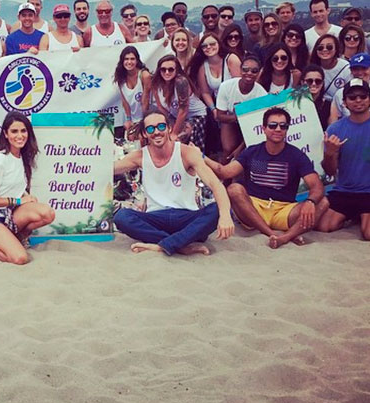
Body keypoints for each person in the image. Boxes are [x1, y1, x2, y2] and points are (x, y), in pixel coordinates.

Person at [113, 108, 234, 255]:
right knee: (122, 217)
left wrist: (226, 216)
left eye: (161, 126)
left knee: (218, 210)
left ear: (169, 128)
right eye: (151, 129)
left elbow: (216, 185)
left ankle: (164, 244)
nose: (156, 132)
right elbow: (110, 169)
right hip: (156, 218)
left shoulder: (187, 153)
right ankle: (180, 245)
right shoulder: (139, 156)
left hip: (186, 217)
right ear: (145, 133)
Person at [206, 107, 327, 249]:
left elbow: (316, 185)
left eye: (283, 126)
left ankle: (285, 237)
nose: (278, 129)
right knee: (234, 189)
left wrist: (310, 201)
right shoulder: (252, 151)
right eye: (272, 125)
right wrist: (201, 157)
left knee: (322, 202)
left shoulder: (296, 155)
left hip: (284, 210)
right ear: (264, 128)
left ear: (287, 129)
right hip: (254, 208)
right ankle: (272, 233)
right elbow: (225, 172)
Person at [0, 111, 55, 264]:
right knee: (20, 258)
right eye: (14, 131)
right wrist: (19, 201)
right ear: (5, 134)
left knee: (47, 214)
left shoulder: (23, 157)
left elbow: (13, 186)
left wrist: (27, 198)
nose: (20, 136)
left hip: (9, 212)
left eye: (23, 131)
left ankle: (13, 239)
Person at [316, 78, 370, 240]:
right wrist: (330, 153)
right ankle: (355, 215)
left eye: (362, 96)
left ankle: (363, 216)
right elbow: (330, 172)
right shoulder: (335, 128)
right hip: (345, 190)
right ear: (344, 103)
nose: (358, 100)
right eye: (352, 97)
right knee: (324, 227)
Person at [149, 55, 207, 151]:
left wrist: (174, 133)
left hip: (195, 115)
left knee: (179, 139)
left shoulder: (181, 82)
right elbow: (160, 107)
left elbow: (183, 110)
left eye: (170, 69)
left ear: (177, 70)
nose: (167, 72)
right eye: (163, 69)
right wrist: (169, 125)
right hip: (174, 115)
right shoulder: (156, 83)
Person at [215, 55, 267, 160]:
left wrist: (240, 147)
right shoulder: (226, 86)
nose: (249, 73)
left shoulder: (261, 94)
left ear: (259, 73)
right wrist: (238, 117)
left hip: (252, 125)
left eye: (254, 71)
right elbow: (220, 116)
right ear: (240, 70)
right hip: (230, 120)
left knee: (250, 149)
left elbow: (258, 125)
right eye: (245, 69)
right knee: (228, 149)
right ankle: (224, 173)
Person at [189, 32, 241, 112]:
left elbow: (240, 86)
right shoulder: (203, 66)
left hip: (238, 103)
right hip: (220, 106)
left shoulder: (231, 59)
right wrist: (214, 109)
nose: (209, 47)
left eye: (212, 44)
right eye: (204, 46)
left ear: (219, 45)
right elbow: (205, 92)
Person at [113, 46, 151, 139]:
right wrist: (129, 120)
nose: (129, 62)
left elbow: (145, 101)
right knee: (129, 140)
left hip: (147, 117)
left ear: (137, 60)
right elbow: (125, 102)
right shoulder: (120, 77)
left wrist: (142, 124)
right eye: (126, 59)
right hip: (133, 119)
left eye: (132, 59)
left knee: (140, 138)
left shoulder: (144, 75)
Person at [329, 53, 370, 124]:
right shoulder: (340, 93)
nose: (360, 72)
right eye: (355, 69)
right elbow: (333, 121)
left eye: (364, 68)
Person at [309, 34, 350, 100]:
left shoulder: (346, 67)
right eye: (320, 47)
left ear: (336, 49)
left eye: (329, 47)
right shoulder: (312, 67)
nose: (325, 50)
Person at [300, 65, 331, 130]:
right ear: (302, 82)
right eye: (309, 81)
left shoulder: (329, 106)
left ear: (322, 83)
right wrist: (276, 96)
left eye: (318, 81)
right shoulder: (293, 103)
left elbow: (332, 130)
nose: (314, 84)